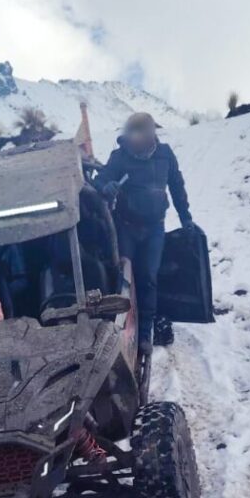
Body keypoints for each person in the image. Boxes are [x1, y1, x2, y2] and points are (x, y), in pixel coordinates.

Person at [94, 112, 195, 353]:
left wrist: (186, 218)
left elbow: (177, 186)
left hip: (154, 228)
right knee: (124, 279)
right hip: (126, 226)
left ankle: (144, 334)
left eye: (145, 132)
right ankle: (122, 333)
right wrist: (106, 187)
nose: (139, 137)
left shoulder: (165, 154)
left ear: (152, 133)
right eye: (134, 133)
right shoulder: (119, 157)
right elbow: (100, 181)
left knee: (149, 276)